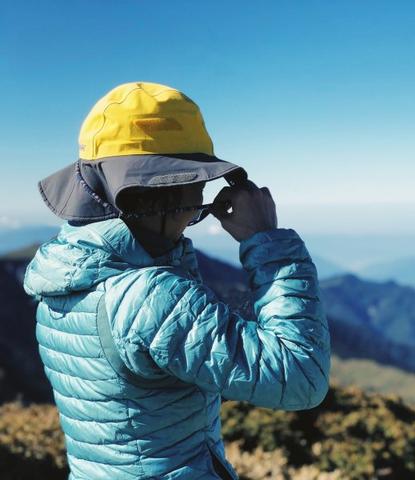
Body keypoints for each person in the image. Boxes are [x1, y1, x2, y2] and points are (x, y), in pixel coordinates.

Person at [22, 81, 331, 480]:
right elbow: (300, 377)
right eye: (198, 185)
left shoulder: (62, 273)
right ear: (166, 191)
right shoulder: (148, 295)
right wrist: (267, 242)